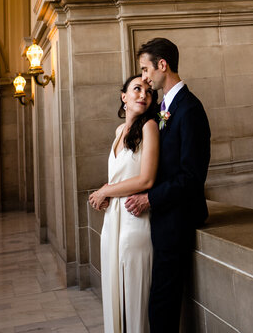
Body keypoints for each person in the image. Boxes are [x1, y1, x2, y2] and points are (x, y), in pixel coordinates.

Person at [124, 37, 211, 333]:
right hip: (163, 218)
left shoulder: (190, 109)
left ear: (163, 65)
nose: (145, 78)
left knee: (163, 302)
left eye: (146, 69)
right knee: (161, 299)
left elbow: (192, 176)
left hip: (178, 219)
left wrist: (150, 199)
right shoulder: (163, 107)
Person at [89, 76, 160, 333]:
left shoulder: (150, 127)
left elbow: (146, 179)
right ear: (124, 96)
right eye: (137, 89)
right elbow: (120, 176)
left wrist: (106, 189)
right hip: (112, 221)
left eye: (149, 92)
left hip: (135, 221)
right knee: (113, 290)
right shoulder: (119, 132)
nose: (143, 94)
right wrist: (106, 196)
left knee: (134, 296)